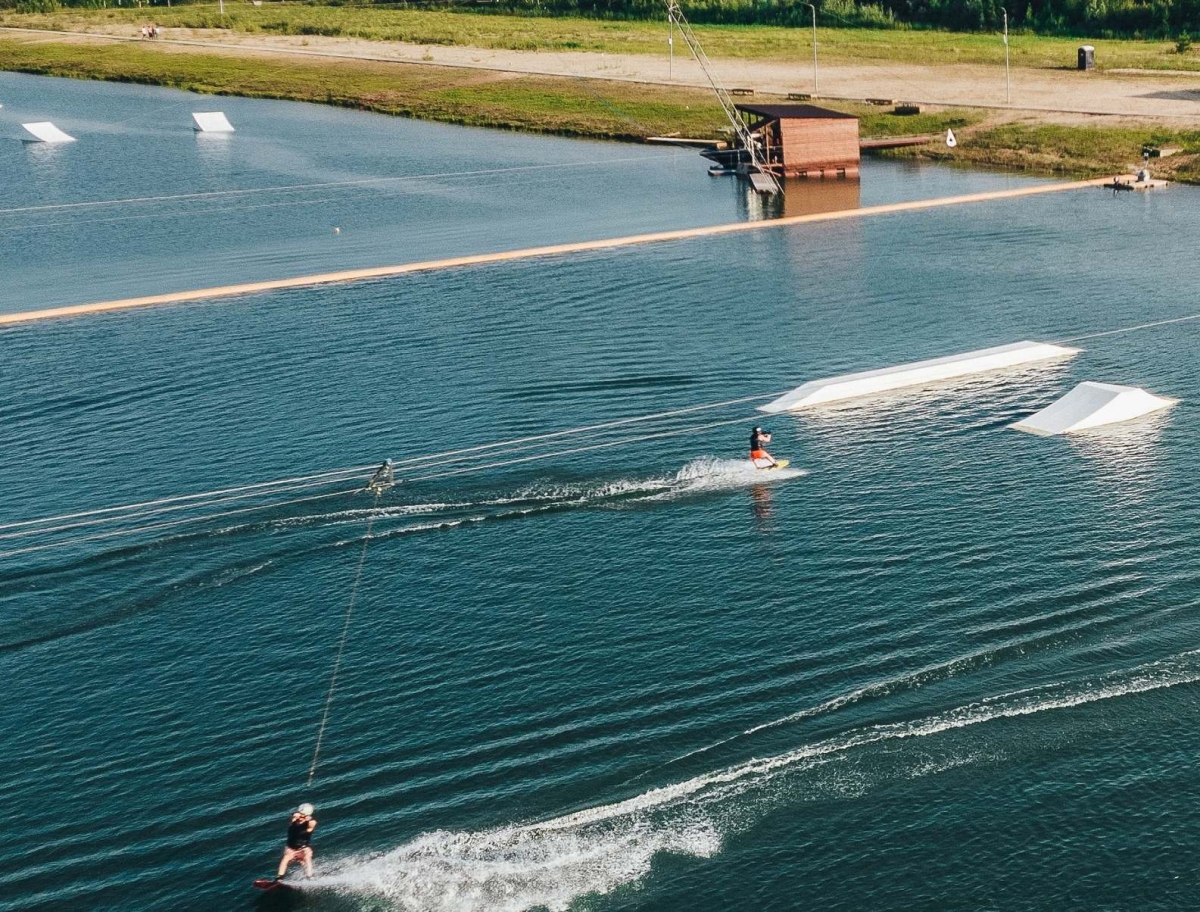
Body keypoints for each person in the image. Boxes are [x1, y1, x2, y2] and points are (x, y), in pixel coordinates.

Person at [276, 803, 317, 881]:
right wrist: (297, 815)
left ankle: (310, 876)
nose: (300, 817)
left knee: (306, 857)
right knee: (286, 858)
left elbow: (313, 822)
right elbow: (293, 816)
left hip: (303, 849)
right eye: (300, 814)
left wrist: (308, 818)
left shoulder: (309, 824)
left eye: (302, 816)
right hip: (290, 849)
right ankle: (279, 878)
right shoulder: (294, 821)